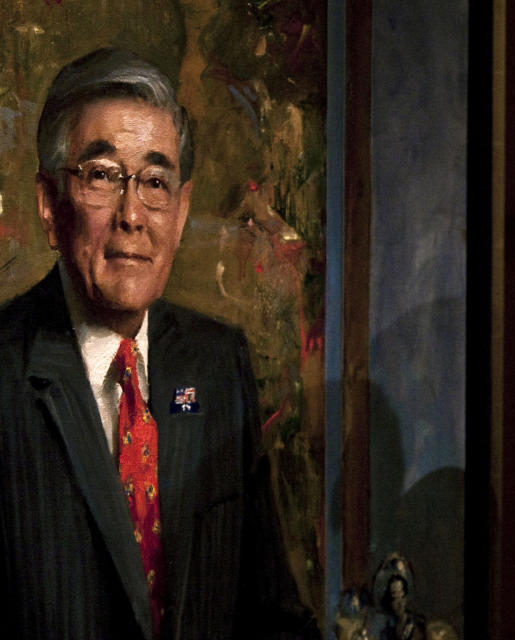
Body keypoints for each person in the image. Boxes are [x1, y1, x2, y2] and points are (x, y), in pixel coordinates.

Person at [0, 48, 316, 638]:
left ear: (182, 206)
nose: (133, 216)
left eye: (154, 182)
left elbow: (270, 610)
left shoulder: (217, 364)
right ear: (49, 205)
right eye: (101, 176)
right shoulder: (6, 374)